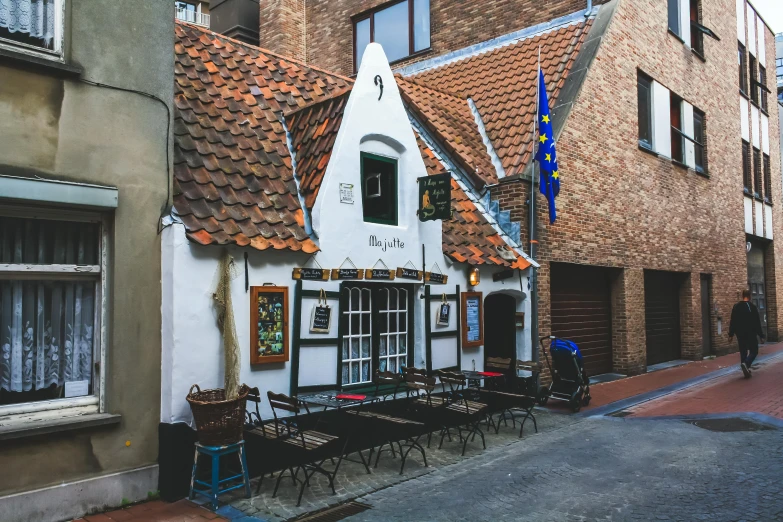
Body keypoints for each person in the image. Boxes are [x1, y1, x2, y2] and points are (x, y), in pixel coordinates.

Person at [728, 289, 765, 378]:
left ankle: (745, 368)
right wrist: (761, 335)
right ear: (750, 296)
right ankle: (746, 363)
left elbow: (733, 321)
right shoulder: (752, 306)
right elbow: (757, 322)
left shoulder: (736, 306)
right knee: (754, 350)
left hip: (740, 333)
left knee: (743, 350)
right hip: (751, 332)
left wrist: (731, 334)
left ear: (742, 295)